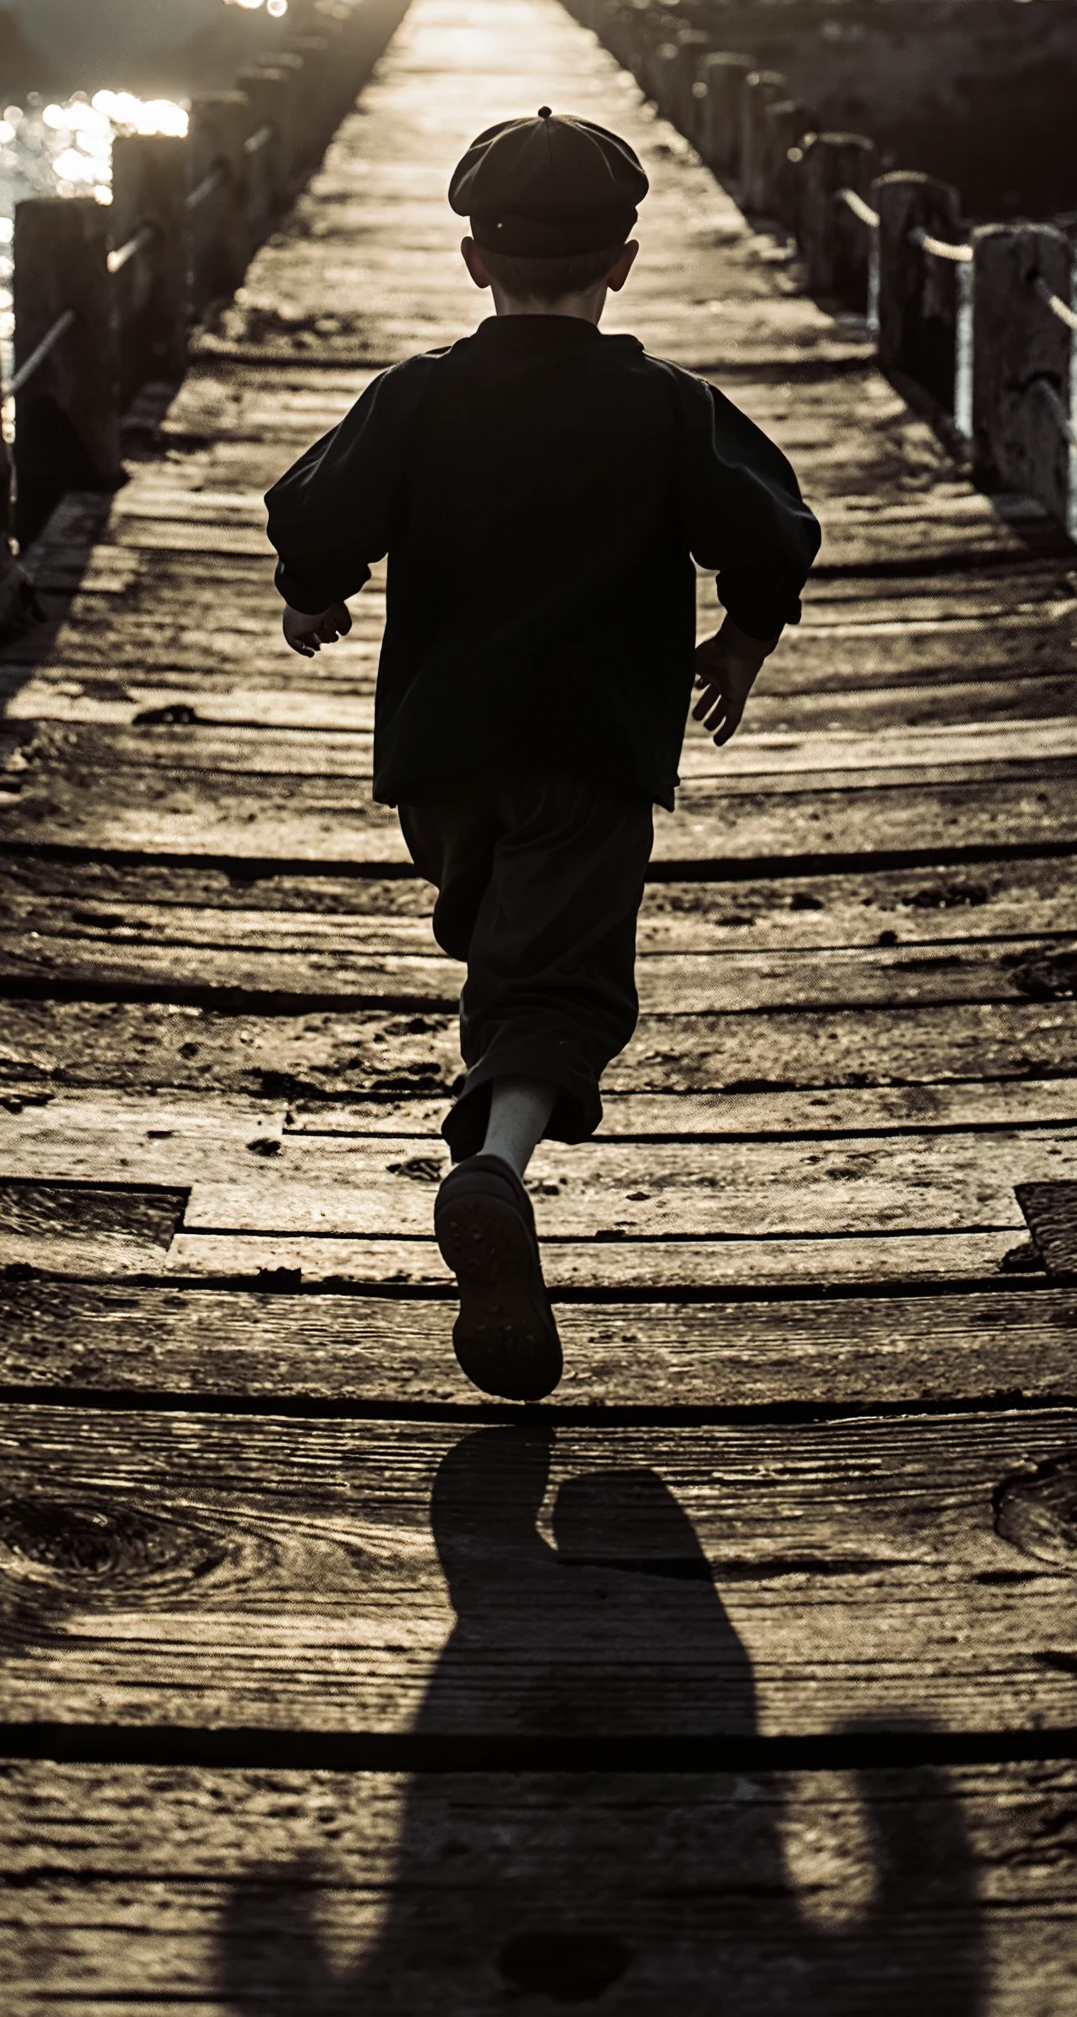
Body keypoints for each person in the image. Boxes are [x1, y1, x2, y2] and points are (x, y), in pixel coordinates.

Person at [264, 107, 819, 1404]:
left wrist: (315, 591)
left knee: (497, 944)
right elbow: (775, 527)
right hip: (591, 751)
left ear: (473, 264)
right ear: (622, 264)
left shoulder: (414, 396)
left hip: (442, 759)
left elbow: (318, 504)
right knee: (560, 990)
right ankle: (497, 1169)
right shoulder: (669, 410)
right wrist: (741, 641)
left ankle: (496, 1124)